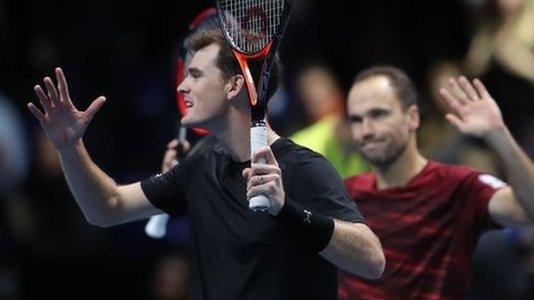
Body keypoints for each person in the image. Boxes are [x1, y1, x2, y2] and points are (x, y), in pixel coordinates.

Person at [27, 29, 385, 299]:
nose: (182, 86)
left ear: (233, 86)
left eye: (196, 75)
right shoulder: (201, 164)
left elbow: (372, 259)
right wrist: (69, 146)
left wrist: (286, 209)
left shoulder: (302, 167)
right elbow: (107, 207)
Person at [338, 66, 534, 299]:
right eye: (356, 120)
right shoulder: (342, 194)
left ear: (412, 117)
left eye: (378, 115)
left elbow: (529, 209)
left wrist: (498, 135)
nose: (366, 130)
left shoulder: (457, 186)